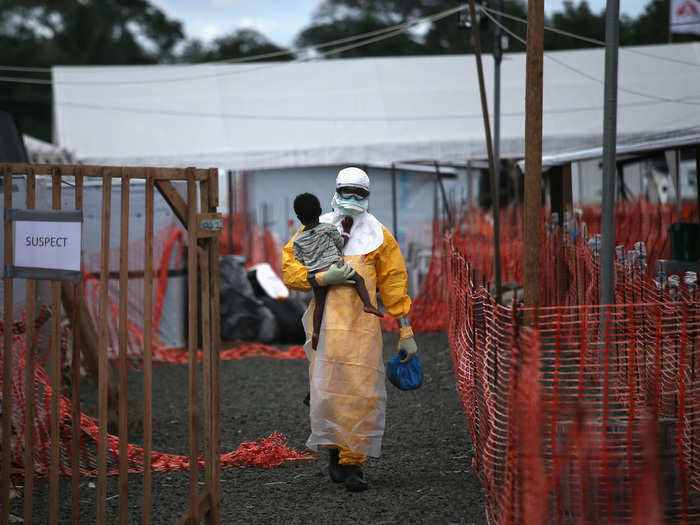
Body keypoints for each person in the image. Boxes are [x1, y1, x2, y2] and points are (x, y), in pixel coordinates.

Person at [282, 166, 418, 492]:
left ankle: (353, 463)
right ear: (336, 192)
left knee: (361, 393)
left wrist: (405, 330)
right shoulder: (314, 230)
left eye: (360, 194)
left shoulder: (379, 237)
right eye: (348, 192)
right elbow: (290, 268)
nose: (353, 199)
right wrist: (317, 279)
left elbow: (394, 283)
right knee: (326, 391)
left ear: (368, 197)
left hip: (362, 331)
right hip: (324, 329)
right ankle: (333, 452)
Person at [292, 192, 383, 351]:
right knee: (358, 280)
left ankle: (316, 333)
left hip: (316, 274)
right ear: (320, 211)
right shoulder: (328, 228)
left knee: (319, 305)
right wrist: (346, 229)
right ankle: (368, 304)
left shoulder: (298, 239)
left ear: (299, 217)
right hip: (336, 267)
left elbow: (299, 258)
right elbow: (341, 243)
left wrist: (313, 261)